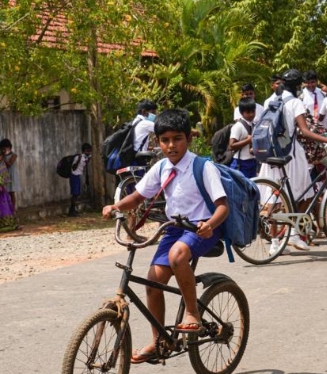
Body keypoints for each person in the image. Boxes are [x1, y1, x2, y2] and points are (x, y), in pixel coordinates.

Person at [102, 108, 229, 364]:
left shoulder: (202, 167)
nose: (171, 145)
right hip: (174, 229)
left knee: (178, 255)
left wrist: (209, 224)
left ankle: (192, 312)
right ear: (158, 142)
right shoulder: (160, 167)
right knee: (152, 281)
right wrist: (116, 207)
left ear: (189, 138)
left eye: (177, 138)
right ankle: (159, 341)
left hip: (200, 228)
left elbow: (223, 206)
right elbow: (138, 196)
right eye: (165, 140)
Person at [258, 68, 327, 255]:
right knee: (305, 195)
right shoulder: (295, 103)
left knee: (276, 196)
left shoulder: (272, 101)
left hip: (271, 153)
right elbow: (305, 131)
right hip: (291, 154)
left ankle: (275, 242)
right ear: (299, 85)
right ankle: (293, 235)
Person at [229, 97, 257, 178]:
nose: (251, 114)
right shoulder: (238, 126)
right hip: (241, 163)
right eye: (248, 112)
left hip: (252, 161)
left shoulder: (253, 125)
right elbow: (231, 146)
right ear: (241, 113)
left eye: (253, 111)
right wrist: (248, 140)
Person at [68, 143, 92, 217]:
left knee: (77, 194)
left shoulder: (86, 158)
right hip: (74, 175)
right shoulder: (79, 157)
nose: (88, 152)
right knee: (75, 194)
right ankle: (71, 211)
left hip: (78, 176)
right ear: (84, 151)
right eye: (87, 151)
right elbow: (73, 167)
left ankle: (73, 210)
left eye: (89, 151)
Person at [0, 138, 21, 213]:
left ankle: (13, 209)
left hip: (12, 175)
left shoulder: (14, 155)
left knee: (12, 193)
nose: (4, 150)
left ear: (9, 147)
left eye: (6, 148)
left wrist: (2, 158)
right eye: (2, 148)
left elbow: (9, 164)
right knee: (6, 193)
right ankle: (7, 209)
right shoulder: (1, 156)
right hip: (4, 175)